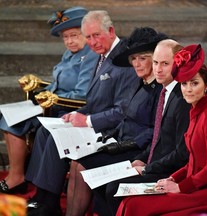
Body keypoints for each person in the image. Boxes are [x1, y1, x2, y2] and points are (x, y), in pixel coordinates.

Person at [25, 10, 138, 216]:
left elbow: (123, 111)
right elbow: (95, 101)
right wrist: (75, 114)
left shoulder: (124, 59)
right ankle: (42, 196)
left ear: (111, 31)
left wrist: (86, 119)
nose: (92, 42)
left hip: (113, 130)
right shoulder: (101, 54)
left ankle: (48, 203)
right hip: (95, 120)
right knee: (46, 130)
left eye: (96, 35)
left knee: (55, 138)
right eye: (88, 37)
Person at [115, 44, 207, 216]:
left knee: (134, 205)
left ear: (206, 86)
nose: (188, 89)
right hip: (190, 183)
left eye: (195, 83)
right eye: (184, 84)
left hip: (205, 192)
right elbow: (193, 160)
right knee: (130, 200)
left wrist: (180, 186)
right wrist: (174, 177)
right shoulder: (196, 111)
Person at [65, 26, 167, 216]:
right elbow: (127, 117)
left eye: (142, 58)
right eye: (133, 59)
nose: (137, 63)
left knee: (81, 167)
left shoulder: (159, 90)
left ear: (154, 60)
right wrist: (111, 135)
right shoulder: (140, 83)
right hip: (121, 142)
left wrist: (122, 146)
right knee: (76, 161)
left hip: (136, 150)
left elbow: (155, 131)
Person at [0, 6, 97, 194]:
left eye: (74, 35)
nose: (69, 41)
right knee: (7, 118)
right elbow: (58, 83)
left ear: (86, 33)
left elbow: (82, 94)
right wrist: (40, 88)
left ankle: (18, 177)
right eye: (65, 37)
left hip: (68, 109)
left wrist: (52, 98)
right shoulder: (70, 53)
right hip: (53, 103)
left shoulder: (91, 56)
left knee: (12, 123)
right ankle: (17, 175)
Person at [104, 39, 191, 216]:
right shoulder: (164, 91)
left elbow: (182, 153)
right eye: (156, 63)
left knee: (113, 188)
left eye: (165, 64)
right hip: (154, 164)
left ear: (178, 64)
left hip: (169, 173)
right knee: (104, 182)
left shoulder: (182, 99)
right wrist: (141, 159)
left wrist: (146, 169)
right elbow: (159, 138)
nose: (158, 69)